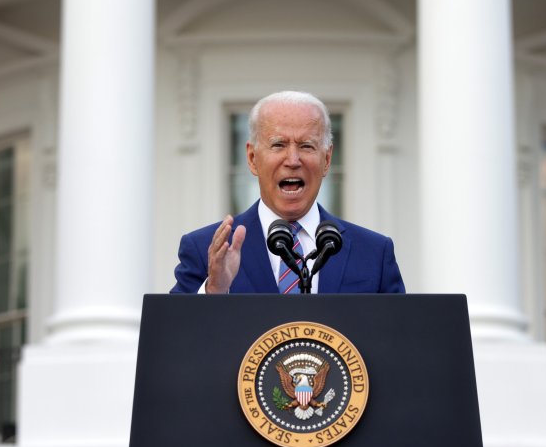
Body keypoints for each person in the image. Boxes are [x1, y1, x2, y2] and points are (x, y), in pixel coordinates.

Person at [170, 90, 405, 294]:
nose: (293, 160)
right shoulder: (204, 251)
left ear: (327, 159)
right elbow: (174, 339)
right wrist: (214, 290)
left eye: (306, 146)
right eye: (278, 145)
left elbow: (400, 339)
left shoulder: (374, 254)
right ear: (252, 159)